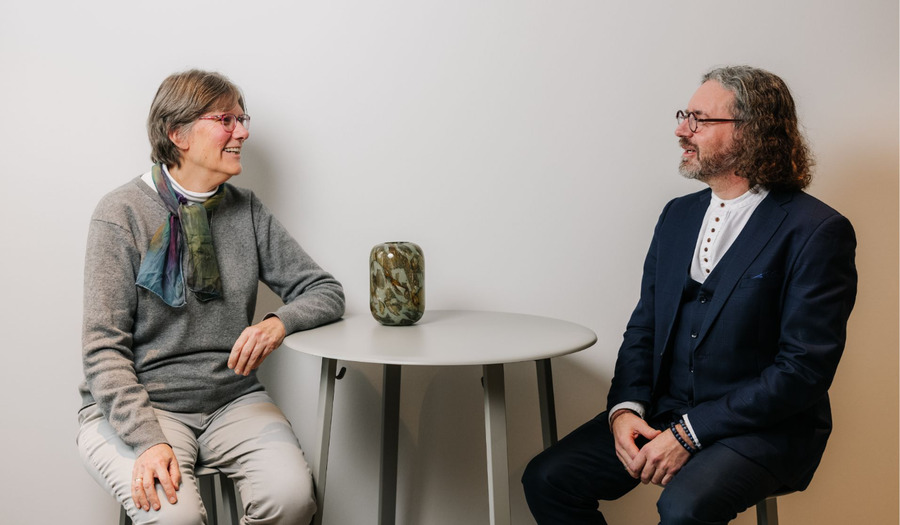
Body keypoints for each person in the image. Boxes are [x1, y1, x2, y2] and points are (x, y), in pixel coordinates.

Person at [522, 66, 857, 524]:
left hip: (762, 429)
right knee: (548, 478)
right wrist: (625, 409)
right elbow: (644, 326)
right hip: (665, 411)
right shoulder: (677, 215)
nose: (682, 129)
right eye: (685, 115)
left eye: (700, 119)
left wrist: (690, 433)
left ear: (751, 131)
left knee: (684, 508)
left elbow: (802, 371)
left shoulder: (816, 230)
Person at [76, 69, 345, 524]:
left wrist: (276, 323)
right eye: (226, 119)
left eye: (243, 119)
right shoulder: (120, 213)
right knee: (174, 519)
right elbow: (102, 349)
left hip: (232, 398)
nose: (242, 131)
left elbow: (325, 290)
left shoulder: (247, 210)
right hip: (142, 404)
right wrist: (147, 439)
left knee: (293, 499)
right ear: (177, 133)